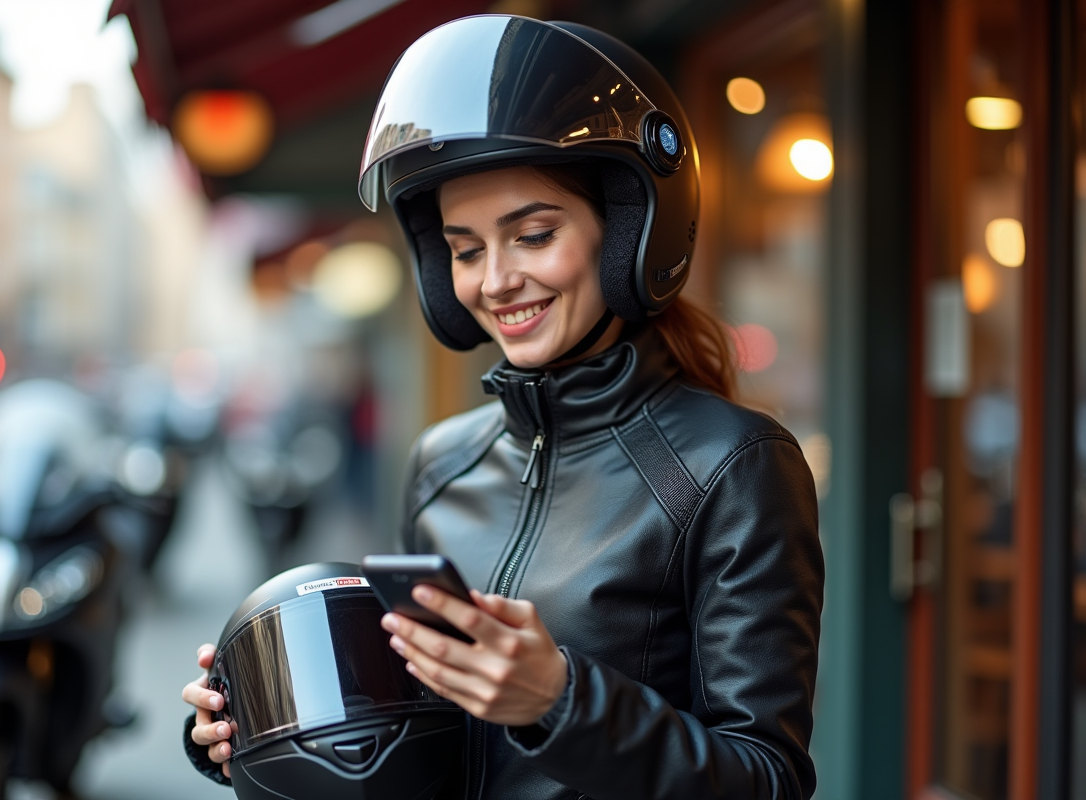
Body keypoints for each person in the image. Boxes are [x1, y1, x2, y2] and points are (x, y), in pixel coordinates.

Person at [182, 15, 823, 800]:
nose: (495, 282)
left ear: (626, 231)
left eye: (534, 234)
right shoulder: (443, 464)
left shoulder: (733, 465)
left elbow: (769, 780)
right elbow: (419, 727)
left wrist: (560, 703)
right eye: (465, 248)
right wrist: (262, 725)